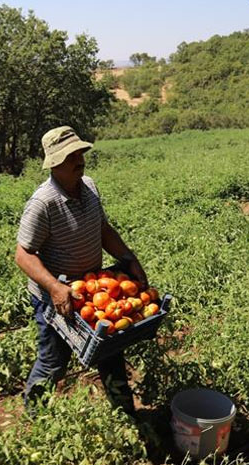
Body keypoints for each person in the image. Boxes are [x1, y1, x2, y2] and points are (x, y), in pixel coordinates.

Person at [15, 125, 149, 415]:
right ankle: (36, 417)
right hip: (55, 296)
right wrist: (54, 288)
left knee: (111, 352)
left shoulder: (89, 187)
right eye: (70, 156)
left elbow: (103, 230)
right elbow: (23, 255)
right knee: (53, 361)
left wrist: (128, 257)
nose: (79, 160)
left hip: (92, 291)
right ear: (54, 164)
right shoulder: (43, 203)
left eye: (79, 153)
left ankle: (125, 414)